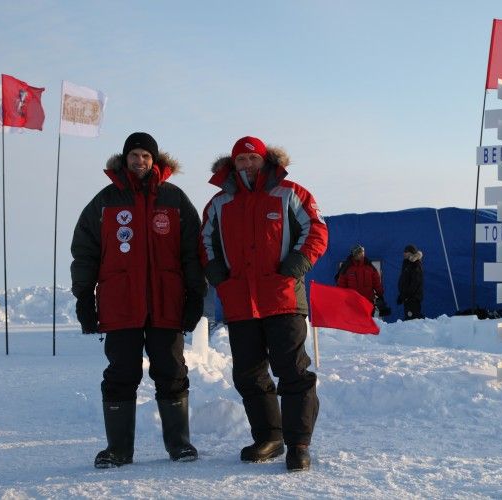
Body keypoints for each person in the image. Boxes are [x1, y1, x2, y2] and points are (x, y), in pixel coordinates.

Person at [70, 132, 207, 468]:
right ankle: (118, 450)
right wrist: (84, 297)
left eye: (146, 156)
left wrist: (195, 294)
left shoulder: (175, 200)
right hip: (121, 306)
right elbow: (85, 251)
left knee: (172, 371)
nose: (140, 161)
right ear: (125, 158)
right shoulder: (105, 201)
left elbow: (193, 252)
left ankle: (179, 444)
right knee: (121, 374)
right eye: (134, 155)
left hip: (166, 304)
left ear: (154, 161)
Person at [199, 136, 327, 472]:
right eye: (241, 160)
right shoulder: (218, 203)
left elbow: (316, 230)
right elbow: (205, 242)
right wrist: (216, 273)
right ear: (233, 164)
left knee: (293, 372)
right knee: (249, 374)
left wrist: (296, 264)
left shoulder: (291, 193)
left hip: (283, 298)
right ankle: (269, 437)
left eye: (252, 158)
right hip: (240, 302)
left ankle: (298, 445)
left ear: (265, 160)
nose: (247, 165)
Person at [336, 244, 385, 311]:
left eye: (363, 252)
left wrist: (380, 295)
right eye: (360, 253)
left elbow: (376, 282)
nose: (362, 255)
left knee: (368, 320)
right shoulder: (347, 268)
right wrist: (340, 298)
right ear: (355, 254)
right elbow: (341, 285)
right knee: (354, 320)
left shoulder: (370, 267)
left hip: (368, 301)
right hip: (353, 302)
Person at [397, 244, 424, 320]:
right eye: (404, 251)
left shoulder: (415, 264)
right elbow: (405, 280)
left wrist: (405, 295)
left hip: (413, 298)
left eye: (406, 251)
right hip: (407, 299)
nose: (404, 253)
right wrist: (402, 295)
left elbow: (415, 283)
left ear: (411, 253)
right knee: (410, 320)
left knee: (412, 321)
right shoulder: (407, 264)